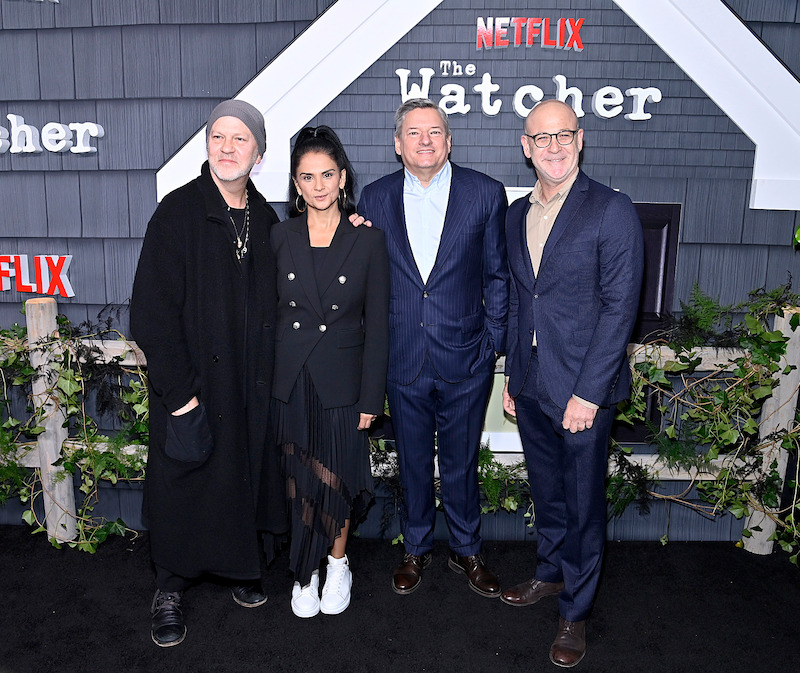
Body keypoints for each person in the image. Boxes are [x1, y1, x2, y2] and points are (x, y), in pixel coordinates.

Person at [130, 100, 287, 647]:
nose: (227, 147)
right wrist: (179, 396)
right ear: (207, 145)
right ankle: (170, 587)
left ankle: (241, 568)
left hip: (250, 390)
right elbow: (150, 315)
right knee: (185, 484)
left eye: (240, 139)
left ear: (259, 154)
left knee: (240, 478)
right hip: (192, 388)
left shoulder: (266, 219)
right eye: (219, 136)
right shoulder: (176, 213)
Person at [501, 99, 644, 668]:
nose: (554, 146)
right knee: (548, 492)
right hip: (533, 383)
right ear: (526, 146)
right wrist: (514, 376)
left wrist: (588, 393)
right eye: (542, 137)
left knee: (583, 505)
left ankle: (576, 612)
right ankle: (552, 576)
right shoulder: (516, 215)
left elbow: (619, 309)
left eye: (564, 135)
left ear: (580, 140)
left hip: (585, 389)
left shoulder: (612, 210)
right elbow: (518, 300)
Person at [358, 98, 509, 598]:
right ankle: (416, 547)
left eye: (436, 131)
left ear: (449, 140)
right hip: (402, 358)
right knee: (413, 460)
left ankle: (467, 550)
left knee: (463, 462)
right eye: (414, 132)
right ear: (397, 143)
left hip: (466, 357)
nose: (426, 140)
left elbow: (497, 275)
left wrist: (491, 343)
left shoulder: (485, 194)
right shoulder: (374, 199)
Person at [271, 126, 389, 618]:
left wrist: (370, 399)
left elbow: (379, 325)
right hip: (293, 378)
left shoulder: (368, 239)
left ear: (342, 178)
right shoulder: (280, 236)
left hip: (343, 382)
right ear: (296, 185)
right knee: (300, 479)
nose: (318, 185)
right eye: (307, 177)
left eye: (327, 174)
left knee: (336, 477)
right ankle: (305, 570)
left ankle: (337, 564)